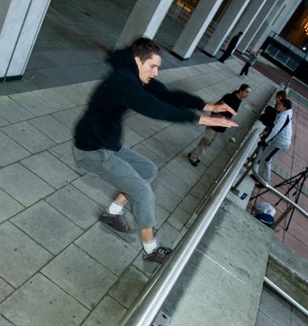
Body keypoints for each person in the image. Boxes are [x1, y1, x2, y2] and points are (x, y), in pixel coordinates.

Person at [73, 37, 238, 264]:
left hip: (108, 144)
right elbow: (155, 108)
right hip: (93, 151)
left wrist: (208, 106)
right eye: (153, 66)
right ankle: (150, 250)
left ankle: (112, 213)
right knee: (142, 192)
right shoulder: (122, 82)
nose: (156, 72)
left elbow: (167, 95)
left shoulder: (135, 74)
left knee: (148, 169)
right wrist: (200, 119)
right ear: (137, 60)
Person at [187, 83, 251, 166]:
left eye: (249, 93)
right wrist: (213, 120)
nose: (248, 94)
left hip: (221, 124)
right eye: (246, 92)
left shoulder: (239, 100)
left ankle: (194, 153)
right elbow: (216, 107)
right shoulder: (229, 97)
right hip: (215, 122)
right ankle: (193, 157)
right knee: (206, 141)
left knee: (209, 142)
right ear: (241, 90)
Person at [252, 97, 293, 185]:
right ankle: (259, 177)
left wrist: (266, 140)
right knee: (263, 157)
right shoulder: (285, 113)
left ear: (284, 107)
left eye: (280, 105)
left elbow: (276, 129)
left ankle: (265, 182)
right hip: (277, 141)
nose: (277, 105)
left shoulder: (284, 116)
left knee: (267, 160)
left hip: (280, 144)